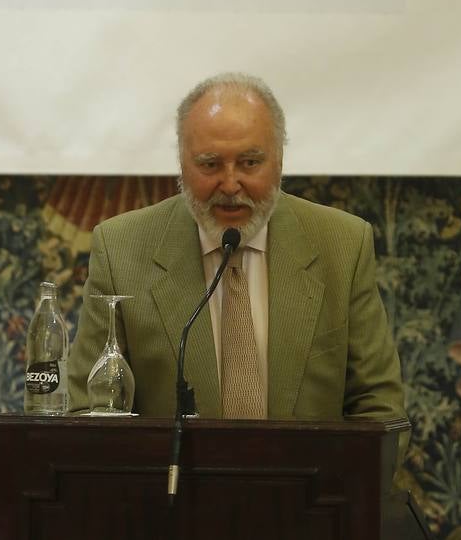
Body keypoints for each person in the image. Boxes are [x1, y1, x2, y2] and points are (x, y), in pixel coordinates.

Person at [68, 73, 405, 431]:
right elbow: (88, 413)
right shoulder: (120, 250)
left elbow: (380, 412)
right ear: (182, 163)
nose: (230, 185)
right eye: (210, 164)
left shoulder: (342, 245)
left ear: (279, 161)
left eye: (249, 163)